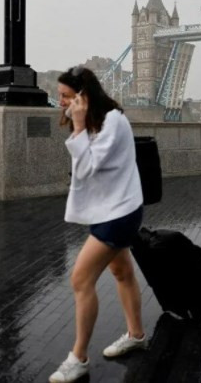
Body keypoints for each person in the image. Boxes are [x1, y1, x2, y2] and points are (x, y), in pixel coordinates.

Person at [49, 66, 147, 383]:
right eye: (60, 95)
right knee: (122, 271)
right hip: (109, 209)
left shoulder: (113, 121)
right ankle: (136, 335)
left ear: (83, 95)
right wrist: (79, 124)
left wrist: (77, 125)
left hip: (119, 212)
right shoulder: (94, 121)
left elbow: (87, 168)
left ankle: (78, 358)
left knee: (80, 279)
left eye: (65, 96)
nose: (60, 101)